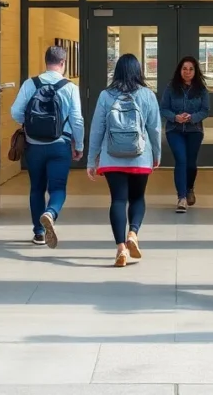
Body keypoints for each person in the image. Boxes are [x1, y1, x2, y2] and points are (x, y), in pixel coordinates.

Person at [87, 54, 162, 267]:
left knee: (118, 200)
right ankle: (133, 233)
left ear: (117, 71)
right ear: (138, 71)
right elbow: (154, 129)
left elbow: (97, 129)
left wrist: (92, 160)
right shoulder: (147, 95)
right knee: (137, 197)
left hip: (112, 156)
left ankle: (121, 248)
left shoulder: (105, 95)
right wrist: (156, 155)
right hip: (140, 156)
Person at [10, 45, 84, 248]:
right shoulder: (70, 87)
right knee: (58, 187)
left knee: (36, 188)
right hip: (60, 145)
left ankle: (39, 233)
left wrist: (28, 125)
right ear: (63, 63)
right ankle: (50, 213)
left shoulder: (30, 84)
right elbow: (77, 120)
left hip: (33, 146)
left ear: (46, 61)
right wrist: (79, 144)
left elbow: (15, 112)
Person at [161, 56, 210, 213]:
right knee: (181, 160)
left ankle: (189, 188)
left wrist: (192, 117)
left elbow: (205, 110)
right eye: (184, 69)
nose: (187, 72)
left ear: (195, 71)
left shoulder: (201, 89)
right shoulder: (171, 88)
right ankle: (181, 197)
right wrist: (175, 117)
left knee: (191, 163)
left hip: (194, 130)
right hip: (174, 130)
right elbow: (163, 109)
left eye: (190, 69)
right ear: (179, 70)